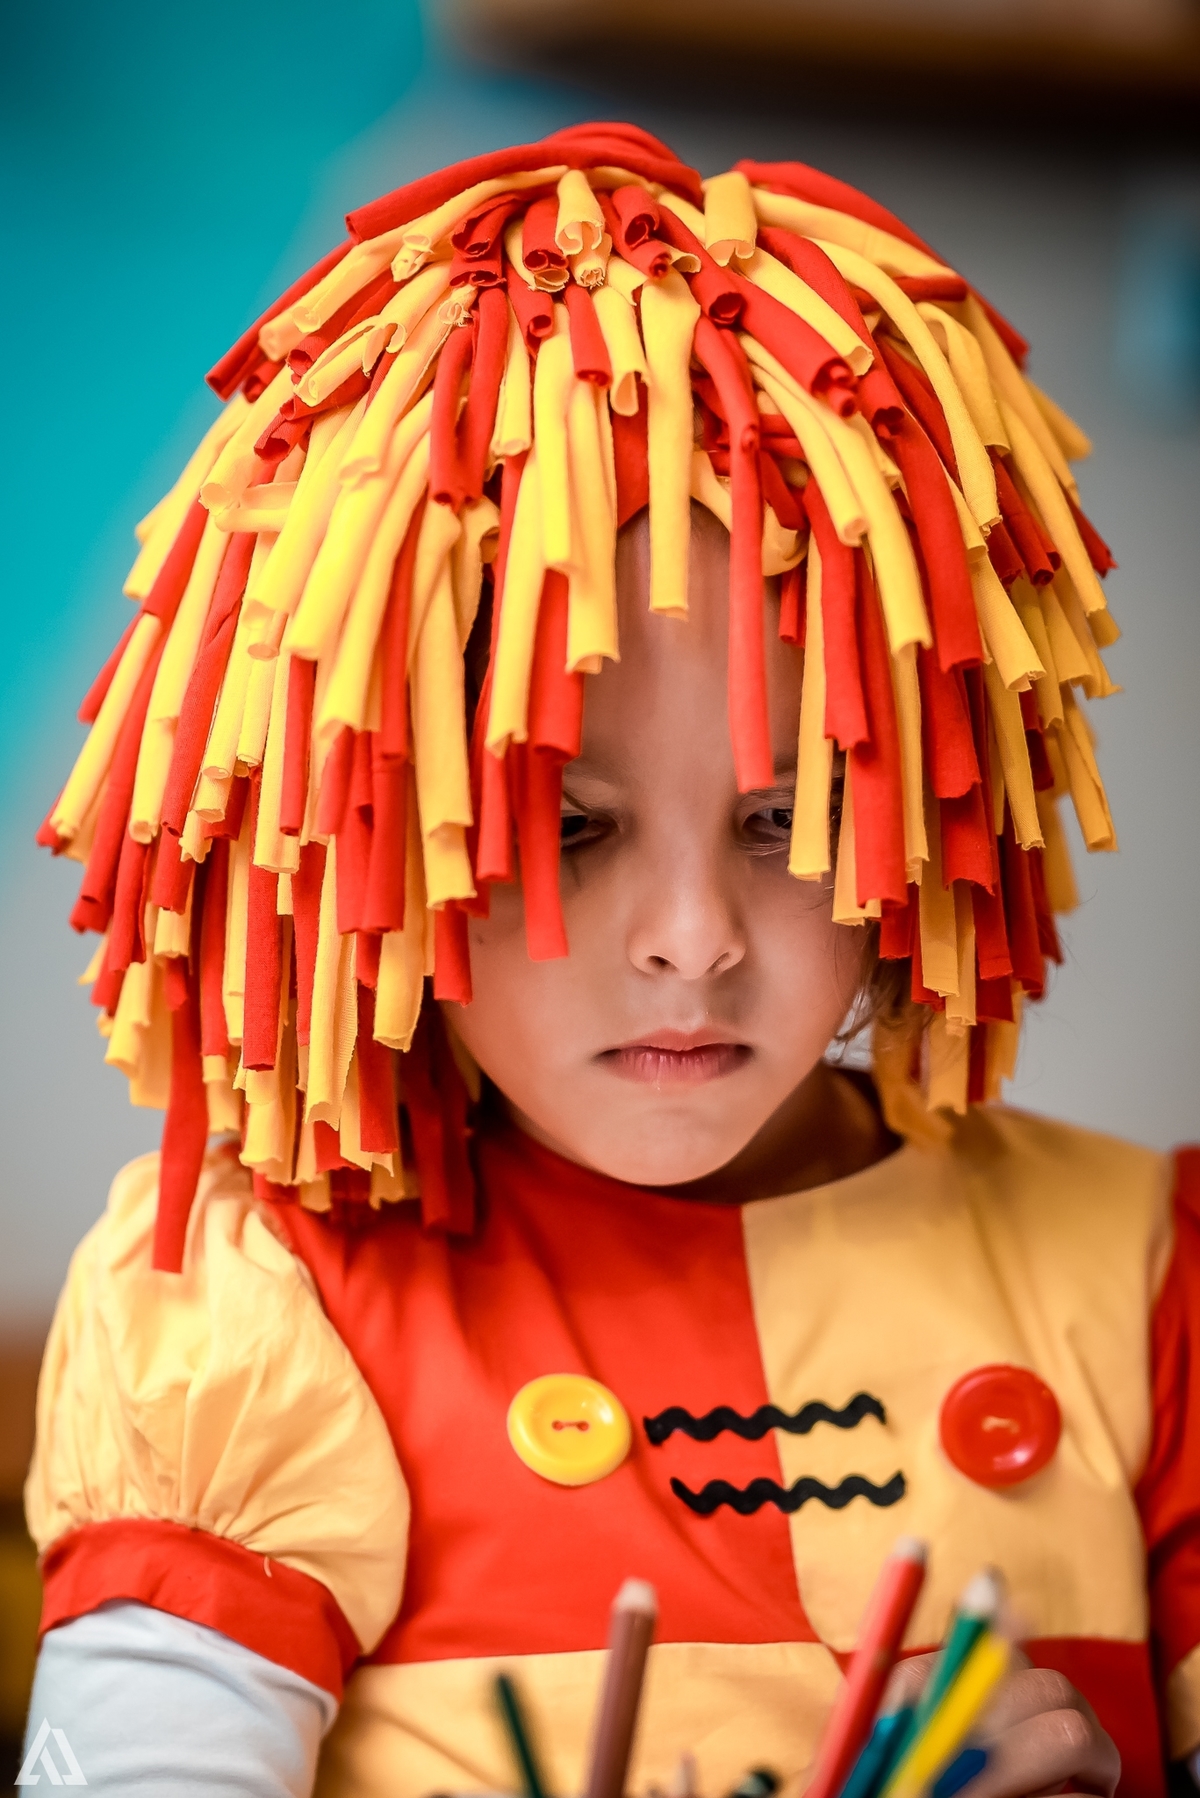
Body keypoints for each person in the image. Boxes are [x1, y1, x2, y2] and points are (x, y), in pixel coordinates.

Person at [21, 122, 1199, 1798]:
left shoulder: (1156, 1285)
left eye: (790, 819)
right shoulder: (252, 1308)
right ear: (356, 811)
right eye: (569, 824)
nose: (690, 938)